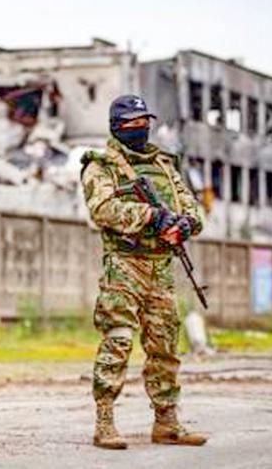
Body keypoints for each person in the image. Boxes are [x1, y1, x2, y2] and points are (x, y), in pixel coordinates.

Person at [80, 94, 208, 449]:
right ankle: (105, 421)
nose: (140, 129)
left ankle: (167, 422)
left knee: (165, 345)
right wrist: (152, 217)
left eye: (144, 122)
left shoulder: (164, 164)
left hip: (161, 268)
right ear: (117, 127)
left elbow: (191, 207)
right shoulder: (101, 165)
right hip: (124, 266)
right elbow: (103, 210)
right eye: (133, 123)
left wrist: (184, 225)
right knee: (118, 340)